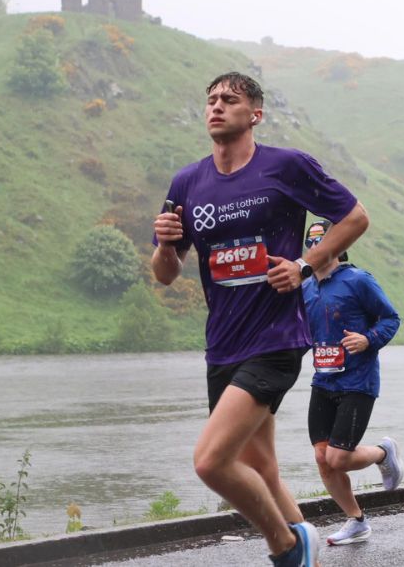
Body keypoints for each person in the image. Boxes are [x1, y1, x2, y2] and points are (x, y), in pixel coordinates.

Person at [151, 71, 370, 567]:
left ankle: (286, 546)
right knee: (262, 467)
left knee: (211, 462)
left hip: (276, 340)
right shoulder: (188, 182)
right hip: (222, 343)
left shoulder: (286, 166)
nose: (217, 106)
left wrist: (303, 266)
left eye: (229, 99)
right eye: (210, 100)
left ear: (255, 114)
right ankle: (305, 552)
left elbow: (355, 217)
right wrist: (165, 243)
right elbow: (166, 275)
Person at [301, 220, 403, 546]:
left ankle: (382, 454)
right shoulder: (305, 288)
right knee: (322, 457)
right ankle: (356, 521)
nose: (316, 247)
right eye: (311, 242)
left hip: (358, 381)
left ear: (337, 246)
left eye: (323, 241)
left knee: (339, 458)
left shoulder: (359, 280)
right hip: (323, 381)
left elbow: (391, 318)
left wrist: (368, 338)